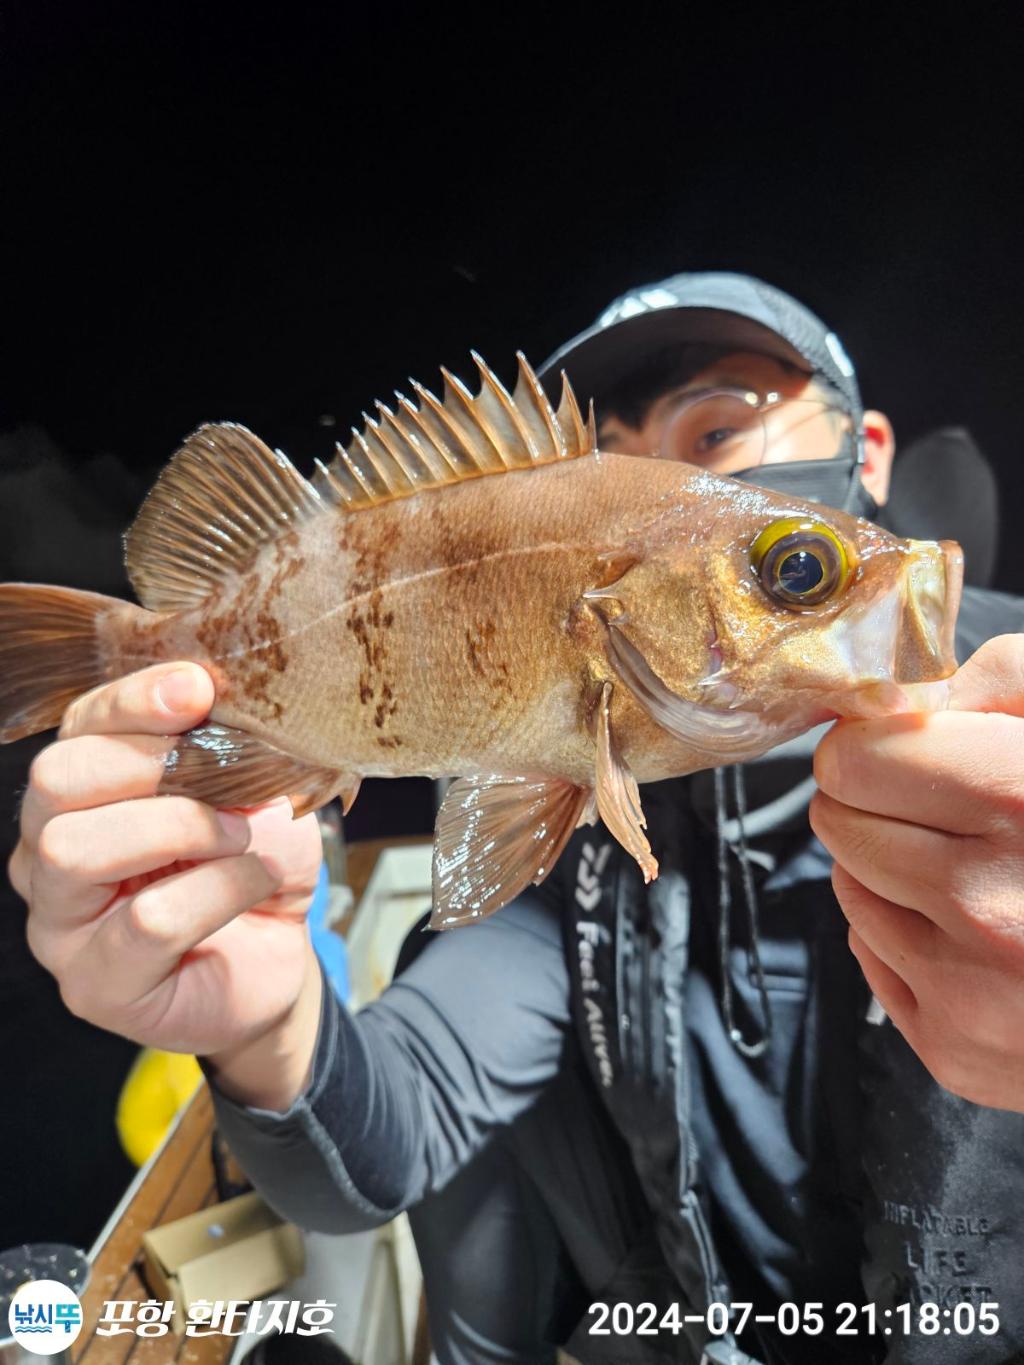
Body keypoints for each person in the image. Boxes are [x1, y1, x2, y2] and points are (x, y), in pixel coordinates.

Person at [10, 274, 1024, 1365]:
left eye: (719, 427)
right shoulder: (573, 816)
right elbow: (391, 1133)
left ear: (865, 453)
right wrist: (257, 1025)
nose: (656, 475)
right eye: (610, 452)